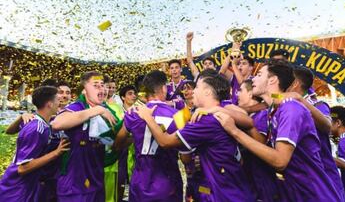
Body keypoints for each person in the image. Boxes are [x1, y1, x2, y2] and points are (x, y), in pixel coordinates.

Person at [214, 59, 342, 201]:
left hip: (314, 194)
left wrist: (235, 132)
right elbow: (270, 100)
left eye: (259, 74)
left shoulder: (291, 108)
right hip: (294, 192)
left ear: (273, 80)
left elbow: (280, 161)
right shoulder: (274, 108)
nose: (253, 78)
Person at [134, 73, 255, 201]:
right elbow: (248, 121)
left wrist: (147, 117)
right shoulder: (221, 109)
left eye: (196, 87)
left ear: (207, 92)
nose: (192, 92)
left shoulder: (206, 120)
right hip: (233, 185)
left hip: (223, 193)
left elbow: (165, 142)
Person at [114, 70, 183, 202]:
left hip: (139, 182)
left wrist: (136, 136)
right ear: (164, 88)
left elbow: (118, 143)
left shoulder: (133, 113)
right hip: (167, 183)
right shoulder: (178, 115)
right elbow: (186, 156)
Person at [51, 71, 118, 201]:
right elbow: (57, 123)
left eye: (103, 85)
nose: (101, 88)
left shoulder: (108, 111)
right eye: (95, 85)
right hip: (74, 185)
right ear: (84, 91)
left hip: (96, 180)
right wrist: (96, 110)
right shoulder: (78, 106)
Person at [284, 67, 345, 199]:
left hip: (322, 172)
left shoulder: (319, 105)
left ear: (295, 83)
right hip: (300, 175)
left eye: (286, 78)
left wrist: (299, 99)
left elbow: (327, 125)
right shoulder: (286, 102)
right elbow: (272, 97)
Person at [0, 86, 70, 201]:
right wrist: (56, 153)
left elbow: (10, 131)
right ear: (49, 104)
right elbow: (23, 168)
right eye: (57, 99)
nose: (60, 101)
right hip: (17, 189)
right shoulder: (38, 129)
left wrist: (21, 118)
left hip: (28, 185)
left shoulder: (38, 121)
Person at [237, 80, 279, 201]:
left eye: (240, 90)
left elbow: (261, 143)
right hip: (248, 180)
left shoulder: (261, 115)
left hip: (262, 181)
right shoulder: (249, 114)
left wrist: (246, 125)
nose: (237, 94)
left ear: (250, 94)